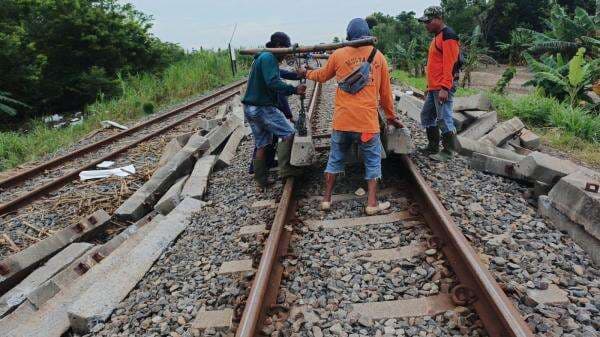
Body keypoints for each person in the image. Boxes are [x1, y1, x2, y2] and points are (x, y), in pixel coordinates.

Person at [298, 18, 403, 216]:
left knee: (335, 159)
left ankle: (327, 200)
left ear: (349, 36)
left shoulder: (338, 54)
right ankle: (372, 203)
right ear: (368, 35)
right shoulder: (378, 57)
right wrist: (391, 117)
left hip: (342, 122)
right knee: (372, 161)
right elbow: (386, 94)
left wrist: (306, 73)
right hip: (366, 123)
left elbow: (321, 76)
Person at [242, 32, 306, 188]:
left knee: (262, 144)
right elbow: (273, 82)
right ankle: (286, 171)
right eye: (285, 49)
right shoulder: (269, 57)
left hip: (250, 108)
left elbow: (279, 73)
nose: (285, 55)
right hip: (262, 107)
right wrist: (294, 90)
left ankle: (261, 180)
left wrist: (297, 76)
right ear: (278, 46)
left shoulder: (263, 57)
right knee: (288, 133)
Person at [418, 6, 461, 162]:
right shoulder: (437, 36)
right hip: (434, 87)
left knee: (444, 118)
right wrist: (429, 88)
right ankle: (433, 146)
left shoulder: (448, 36)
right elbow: (435, 65)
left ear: (438, 19)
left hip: (443, 87)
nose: (426, 24)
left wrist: (445, 88)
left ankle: (448, 152)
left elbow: (451, 64)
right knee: (427, 116)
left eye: (428, 21)